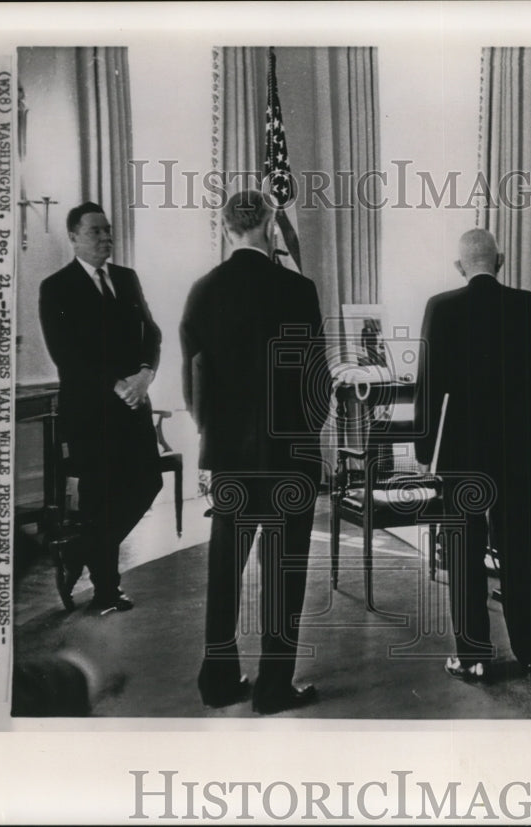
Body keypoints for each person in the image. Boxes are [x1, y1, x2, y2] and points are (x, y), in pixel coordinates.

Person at [180, 190, 324, 714]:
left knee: (225, 571)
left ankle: (217, 682)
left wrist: (212, 438)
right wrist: (306, 435)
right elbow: (315, 381)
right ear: (269, 225)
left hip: (229, 459)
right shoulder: (297, 289)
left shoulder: (201, 291)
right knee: (283, 573)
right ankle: (272, 687)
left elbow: (194, 383)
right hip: (290, 457)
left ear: (225, 229)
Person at [415, 228, 531, 680]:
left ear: (460, 267)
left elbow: (428, 385)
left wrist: (427, 452)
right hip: (520, 453)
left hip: (462, 455)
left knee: (464, 554)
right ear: (500, 261)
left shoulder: (441, 307)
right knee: (520, 551)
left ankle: (474, 655)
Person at [39, 203, 163, 615]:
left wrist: (146, 373)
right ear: (73, 236)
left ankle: (78, 551)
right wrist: (116, 384)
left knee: (149, 483)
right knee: (100, 498)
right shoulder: (56, 287)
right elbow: (66, 354)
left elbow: (153, 333)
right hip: (91, 411)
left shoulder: (127, 279)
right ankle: (107, 590)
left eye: (108, 231)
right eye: (95, 232)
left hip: (134, 405)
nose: (105, 238)